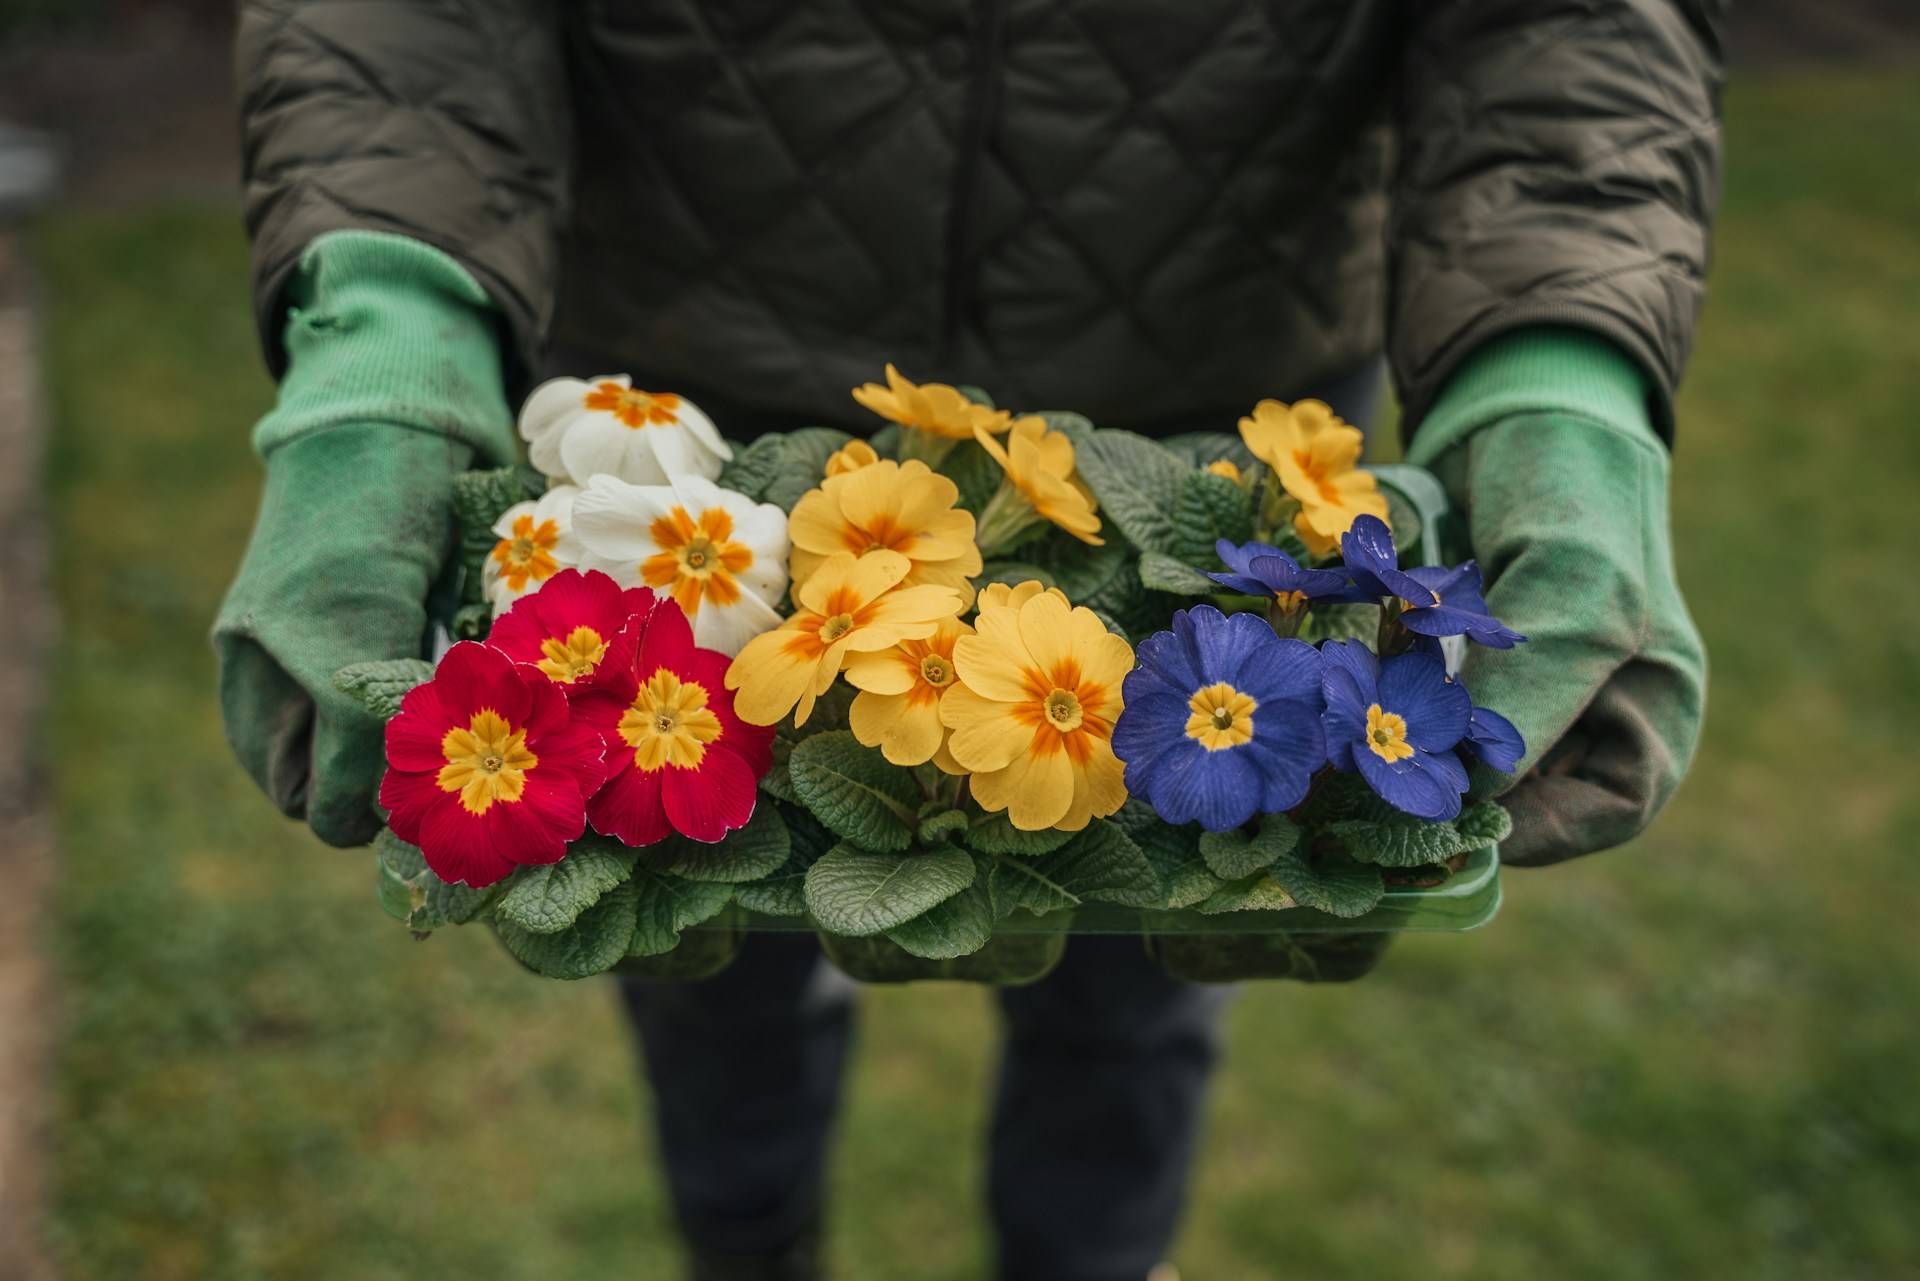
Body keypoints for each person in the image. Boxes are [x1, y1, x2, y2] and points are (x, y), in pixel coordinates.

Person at [214, 4, 1720, 1278]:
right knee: (701, 965)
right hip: (694, 443)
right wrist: (388, 336)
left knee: (1144, 995)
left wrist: (1560, 374)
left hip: (1210, 432)